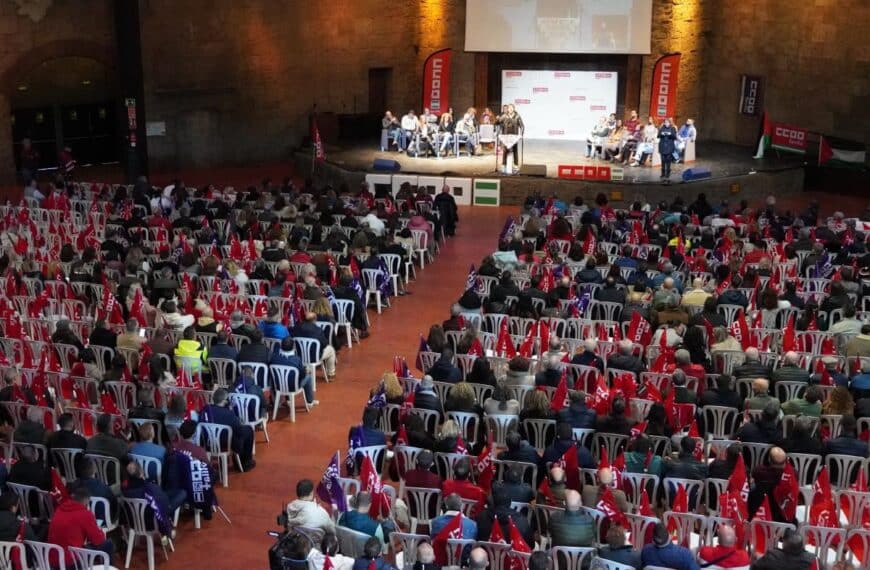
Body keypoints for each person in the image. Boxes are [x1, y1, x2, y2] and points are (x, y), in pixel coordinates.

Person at [47, 484, 112, 567]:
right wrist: (99, 531)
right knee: (108, 544)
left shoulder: (59, 509)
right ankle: (107, 567)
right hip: (71, 562)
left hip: (53, 560)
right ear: (86, 501)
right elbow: (98, 540)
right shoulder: (85, 514)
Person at [201, 388, 256, 470]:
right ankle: (245, 463)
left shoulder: (205, 409)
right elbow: (239, 430)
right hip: (223, 444)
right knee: (248, 430)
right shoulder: (228, 414)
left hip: (207, 443)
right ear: (225, 400)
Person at [271, 336, 318, 406]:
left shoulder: (274, 358)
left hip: (278, 386)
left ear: (281, 346)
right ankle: (310, 401)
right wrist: (306, 371)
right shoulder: (296, 359)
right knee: (308, 377)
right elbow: (302, 375)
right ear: (293, 348)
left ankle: (281, 401)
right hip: (293, 386)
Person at [292, 312, 337, 378]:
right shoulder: (318, 330)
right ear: (314, 320)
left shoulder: (296, 328)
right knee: (331, 350)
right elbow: (324, 344)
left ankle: (308, 369)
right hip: (314, 357)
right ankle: (331, 374)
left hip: (300, 355)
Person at [751, 528, 817, 570]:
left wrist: (762, 558)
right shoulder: (812, 560)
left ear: (783, 544)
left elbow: (754, 567)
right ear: (802, 545)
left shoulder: (771, 556)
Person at [497, 104, 524, 172]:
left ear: (514, 109)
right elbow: (498, 122)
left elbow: (522, 126)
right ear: (508, 109)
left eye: (512, 108)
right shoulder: (504, 116)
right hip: (506, 136)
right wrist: (497, 119)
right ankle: (504, 165)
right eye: (509, 108)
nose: (510, 109)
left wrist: (521, 134)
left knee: (515, 150)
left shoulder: (517, 116)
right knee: (505, 150)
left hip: (514, 136)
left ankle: (515, 165)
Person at [657, 118, 678, 183]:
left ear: (670, 123)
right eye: (665, 122)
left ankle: (668, 173)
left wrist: (670, 134)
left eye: (667, 122)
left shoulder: (672, 128)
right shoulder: (662, 128)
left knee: (668, 160)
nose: (666, 124)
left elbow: (675, 137)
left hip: (669, 146)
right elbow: (658, 136)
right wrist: (662, 134)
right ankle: (663, 173)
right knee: (663, 160)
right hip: (662, 146)